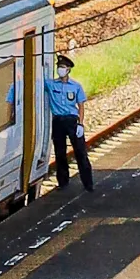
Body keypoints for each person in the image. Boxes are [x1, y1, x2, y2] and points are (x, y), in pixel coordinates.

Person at [47, 48, 96, 193]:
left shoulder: (76, 86)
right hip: (58, 121)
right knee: (60, 152)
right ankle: (63, 182)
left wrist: (80, 123)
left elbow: (81, 106)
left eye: (62, 68)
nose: (60, 70)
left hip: (72, 121)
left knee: (80, 152)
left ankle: (88, 183)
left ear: (68, 70)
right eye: (59, 67)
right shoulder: (51, 84)